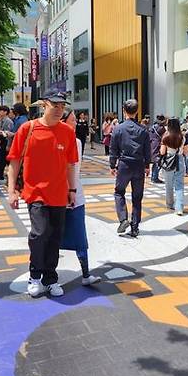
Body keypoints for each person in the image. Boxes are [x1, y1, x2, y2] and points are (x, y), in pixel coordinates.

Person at [7, 90, 78, 297]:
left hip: (59, 193)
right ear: (44, 104)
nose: (58, 109)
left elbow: (70, 165)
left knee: (55, 237)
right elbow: (14, 161)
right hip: (35, 192)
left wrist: (72, 190)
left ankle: (50, 278)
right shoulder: (27, 129)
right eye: (54, 105)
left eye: (62, 106)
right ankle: (35, 275)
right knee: (39, 234)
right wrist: (12, 191)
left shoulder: (67, 132)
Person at [61, 108, 101, 285]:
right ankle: (44, 277)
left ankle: (85, 274)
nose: (76, 123)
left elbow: (74, 170)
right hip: (57, 196)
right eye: (73, 120)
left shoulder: (76, 142)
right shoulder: (54, 140)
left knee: (80, 236)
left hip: (74, 194)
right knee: (50, 237)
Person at [109, 99, 151, 238]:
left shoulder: (118, 129)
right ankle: (135, 227)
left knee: (119, 192)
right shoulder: (143, 130)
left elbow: (113, 148)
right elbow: (147, 150)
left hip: (124, 165)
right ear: (137, 111)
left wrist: (112, 165)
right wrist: (147, 166)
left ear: (124, 110)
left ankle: (123, 219)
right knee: (137, 197)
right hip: (139, 165)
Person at [160, 117, 187, 216]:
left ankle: (170, 204)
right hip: (179, 160)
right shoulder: (182, 137)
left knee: (169, 185)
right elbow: (185, 152)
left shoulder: (165, 136)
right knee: (179, 185)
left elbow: (162, 152)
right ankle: (179, 207)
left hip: (168, 161)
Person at [0, 106, 13, 182]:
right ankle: (0, 176)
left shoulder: (8, 121)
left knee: (3, 159)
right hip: (3, 142)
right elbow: (0, 132)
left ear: (5, 112)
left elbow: (8, 134)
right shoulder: (1, 120)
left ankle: (0, 176)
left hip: (6, 142)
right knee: (3, 159)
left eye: (1, 111)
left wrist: (8, 145)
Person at [149, 114, 167, 184]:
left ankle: (154, 177)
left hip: (152, 145)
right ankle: (155, 177)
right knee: (158, 162)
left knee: (155, 162)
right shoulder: (161, 128)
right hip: (158, 146)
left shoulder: (152, 127)